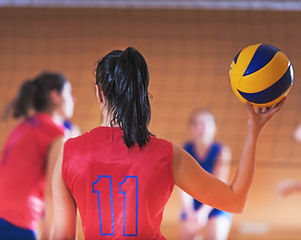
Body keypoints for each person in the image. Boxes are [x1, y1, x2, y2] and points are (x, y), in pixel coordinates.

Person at [52, 47, 284, 239]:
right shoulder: (167, 154)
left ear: (99, 94)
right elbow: (235, 201)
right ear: (142, 93)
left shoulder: (68, 152)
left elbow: (62, 237)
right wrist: (254, 128)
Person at [0, 72, 75, 239]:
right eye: (69, 93)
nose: (73, 99)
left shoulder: (22, 127)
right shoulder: (56, 132)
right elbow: (51, 192)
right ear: (55, 96)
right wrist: (48, 235)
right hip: (18, 221)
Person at [180, 109, 232, 240]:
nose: (201, 127)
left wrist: (203, 213)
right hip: (192, 203)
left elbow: (220, 186)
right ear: (191, 128)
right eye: (197, 123)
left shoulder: (222, 151)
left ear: (215, 128)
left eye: (206, 123)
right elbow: (182, 186)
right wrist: (189, 211)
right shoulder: (184, 150)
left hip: (217, 203)